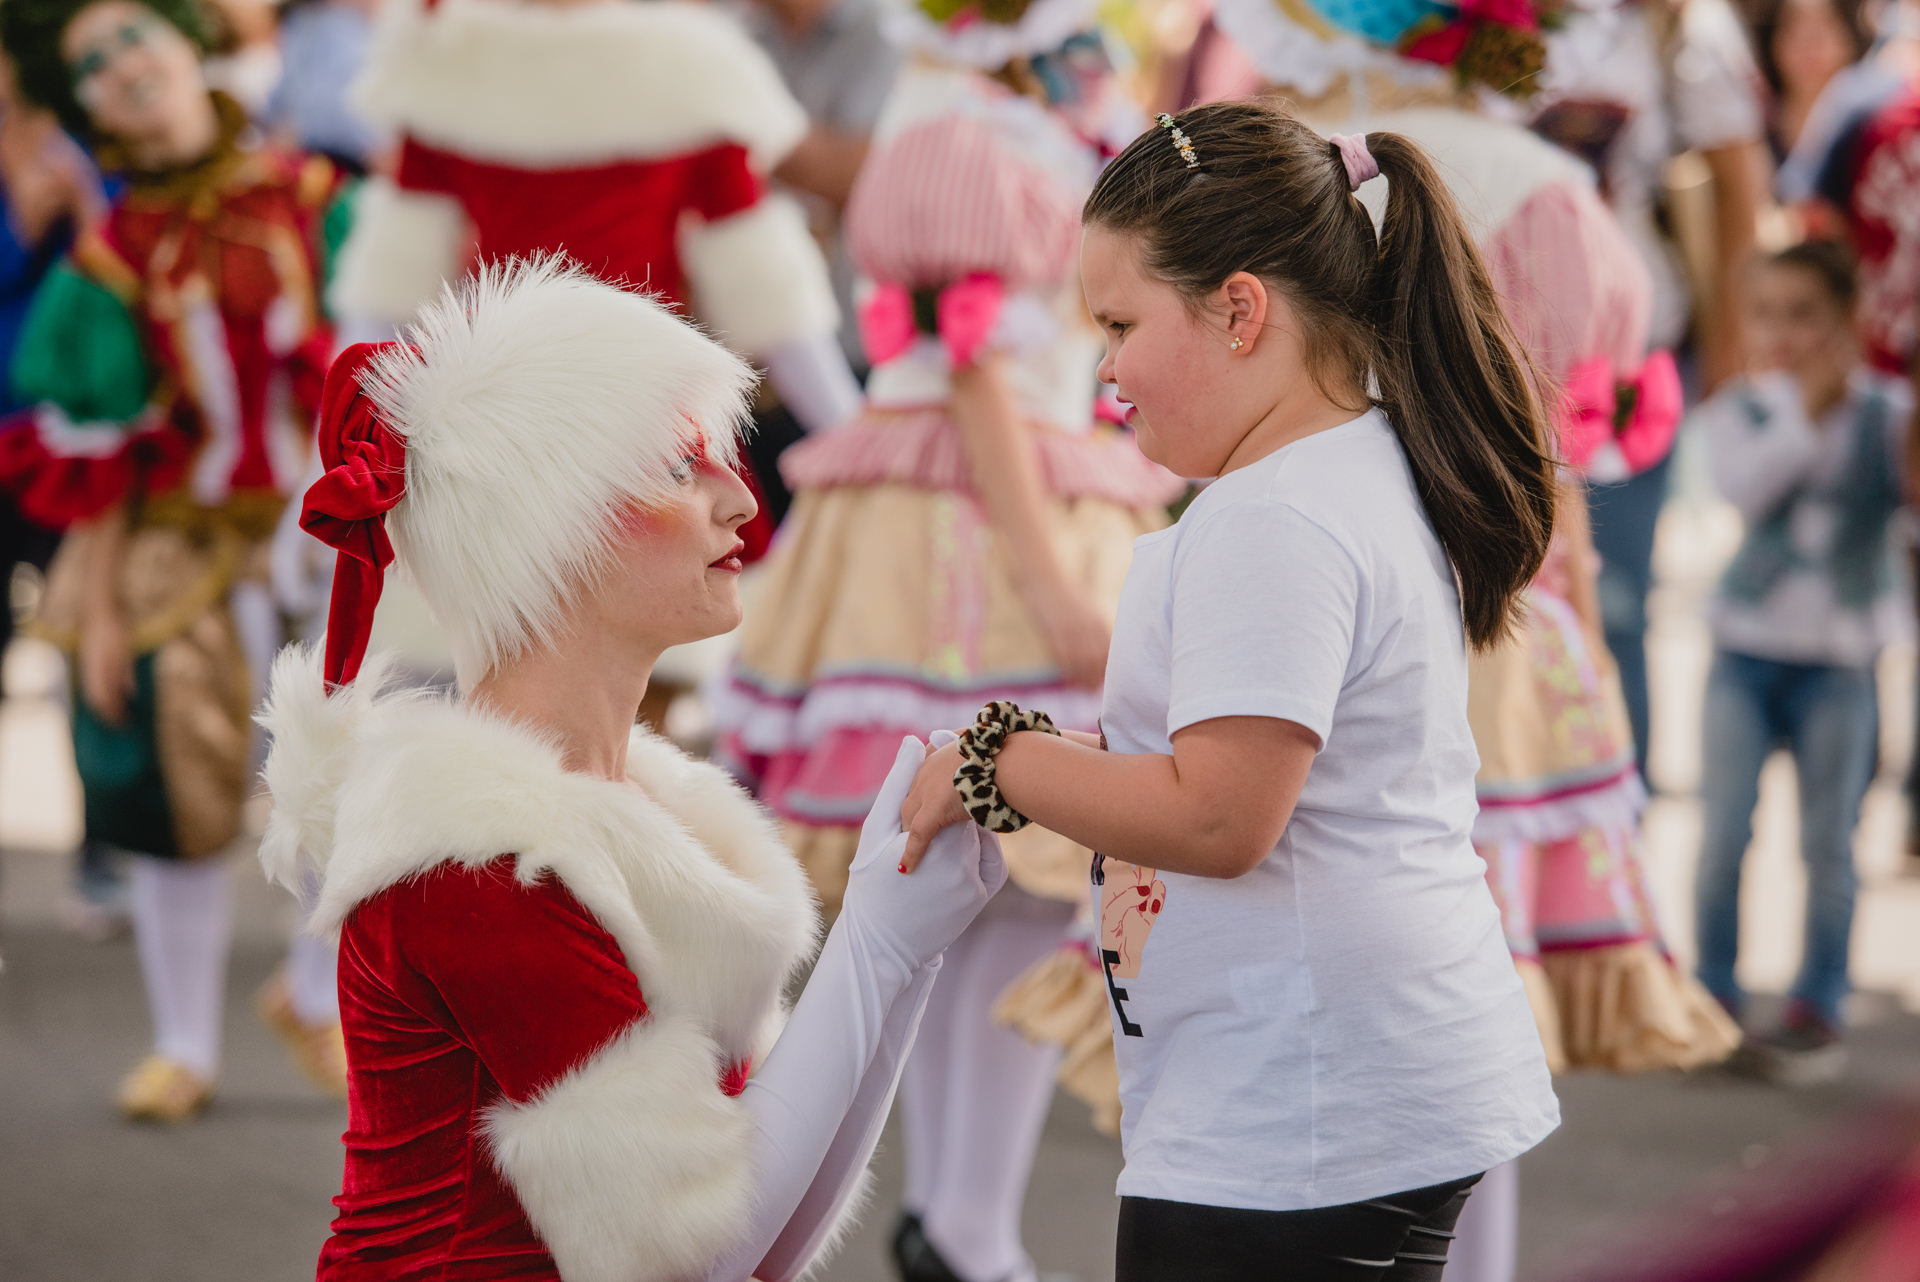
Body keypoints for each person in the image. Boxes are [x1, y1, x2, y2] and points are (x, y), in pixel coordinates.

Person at [897, 100, 1562, 1281]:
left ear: (1240, 309)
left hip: (1303, 1103)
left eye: (1119, 322)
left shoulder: (1276, 516)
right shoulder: (1345, 466)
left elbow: (1219, 814)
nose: (1103, 369)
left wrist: (1000, 759)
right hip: (1344, 1079)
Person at [260, 256, 1002, 1281]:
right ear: (546, 527)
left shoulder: (618, 814)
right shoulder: (475, 863)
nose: (741, 497)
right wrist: (879, 941)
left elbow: (764, 1242)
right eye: (674, 468)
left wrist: (908, 949)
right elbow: (699, 1241)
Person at [713, 4, 1177, 1277]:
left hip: (996, 490)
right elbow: (973, 368)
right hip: (980, 515)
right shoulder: (965, 113)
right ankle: (966, 1219)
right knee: (1002, 865)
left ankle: (963, 1218)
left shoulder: (1005, 100)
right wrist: (1055, 584)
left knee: (994, 874)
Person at [0, 0, 347, 1120]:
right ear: (85, 104)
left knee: (355, 782)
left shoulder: (316, 201)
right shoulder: (110, 255)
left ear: (191, 47)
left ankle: (315, 995)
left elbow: (393, 354)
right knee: (169, 792)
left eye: (134, 36)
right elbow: (99, 458)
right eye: (92, 63)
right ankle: (184, 1044)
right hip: (178, 550)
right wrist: (96, 616)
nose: (119, 64)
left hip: (331, 533)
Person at [1528, 0, 1773, 776]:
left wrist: (1730, 349)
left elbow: (1741, 186)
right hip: (1510, 338)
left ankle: (1615, 795)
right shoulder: (1505, 19)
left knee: (1619, 591)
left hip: (1629, 346)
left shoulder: (1682, 32)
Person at [1691, 241, 1910, 1084]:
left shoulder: (1886, 413)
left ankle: (1818, 1003)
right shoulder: (1740, 410)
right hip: (1745, 649)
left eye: (1804, 315)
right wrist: (1802, 412)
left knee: (1830, 843)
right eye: (1767, 314)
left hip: (1842, 658)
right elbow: (1744, 493)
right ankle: (1714, 993)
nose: (1783, 333)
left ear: (1845, 320)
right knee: (1722, 834)